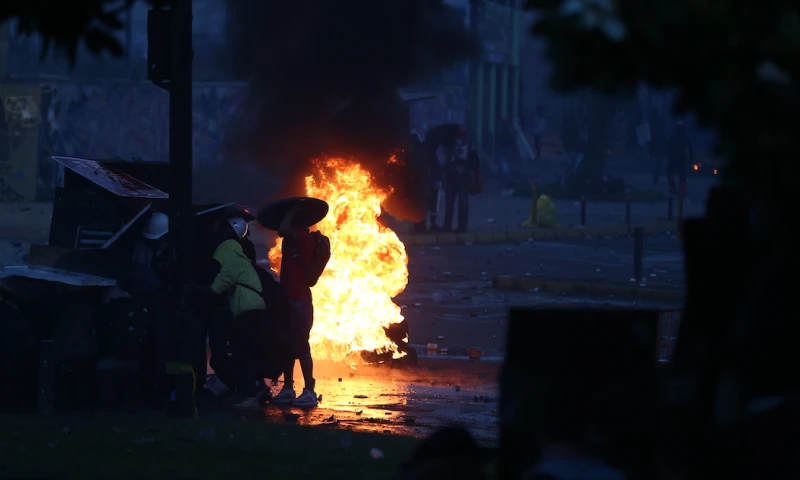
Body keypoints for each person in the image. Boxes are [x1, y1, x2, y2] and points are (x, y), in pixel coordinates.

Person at [188, 216, 268, 410]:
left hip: (247, 313)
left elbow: (214, 290)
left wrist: (191, 288)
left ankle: (249, 396)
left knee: (243, 355)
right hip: (256, 312)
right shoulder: (243, 262)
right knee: (245, 353)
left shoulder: (231, 265)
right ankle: (251, 390)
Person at [271, 204, 320, 408]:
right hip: (289, 301)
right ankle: (288, 388)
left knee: (301, 346)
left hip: (300, 302)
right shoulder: (291, 240)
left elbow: (282, 229)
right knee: (287, 346)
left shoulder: (303, 238)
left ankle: (309, 390)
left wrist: (290, 212)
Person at [443, 128, 481, 233]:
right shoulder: (452, 145)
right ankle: (450, 226)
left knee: (461, 203)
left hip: (463, 177)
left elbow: (475, 162)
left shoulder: (468, 146)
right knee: (451, 203)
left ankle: (459, 227)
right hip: (453, 176)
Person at [666, 119, 693, 196]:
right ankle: (681, 191)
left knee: (670, 174)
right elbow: (690, 148)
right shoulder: (685, 136)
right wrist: (690, 158)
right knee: (681, 175)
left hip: (674, 157)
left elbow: (668, 145)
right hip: (681, 158)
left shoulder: (674, 135)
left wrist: (668, 155)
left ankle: (675, 189)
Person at [647, 106, 667, 186]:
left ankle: (655, 177)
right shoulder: (659, 121)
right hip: (659, 145)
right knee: (658, 163)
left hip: (654, 145)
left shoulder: (651, 122)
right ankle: (656, 177)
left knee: (655, 162)